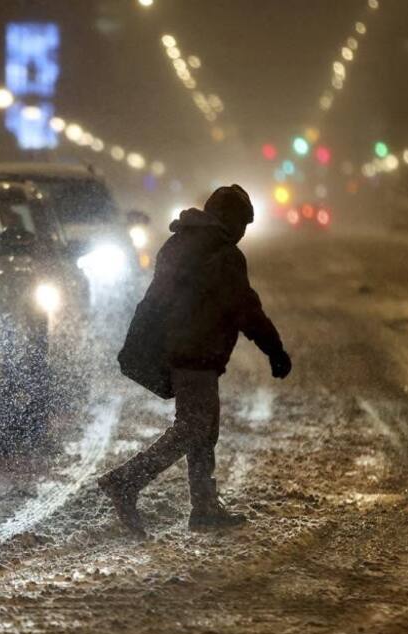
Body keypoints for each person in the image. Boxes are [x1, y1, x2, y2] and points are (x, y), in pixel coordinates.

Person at [100, 185, 291, 536]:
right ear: (228, 218)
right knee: (194, 428)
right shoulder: (223, 255)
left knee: (203, 429)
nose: (242, 233)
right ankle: (127, 481)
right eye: (242, 223)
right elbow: (246, 309)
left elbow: (157, 299)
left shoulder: (178, 243)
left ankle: (204, 506)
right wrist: (274, 351)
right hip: (197, 353)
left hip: (180, 349)